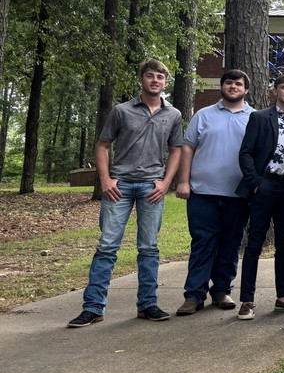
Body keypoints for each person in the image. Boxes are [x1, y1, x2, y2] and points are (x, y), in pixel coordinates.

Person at [67, 59, 183, 328]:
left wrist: (166, 183)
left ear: (165, 83)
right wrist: (106, 179)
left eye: (160, 77)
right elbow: (103, 145)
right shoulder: (121, 111)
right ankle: (93, 307)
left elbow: (176, 149)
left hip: (151, 188)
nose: (155, 80)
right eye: (150, 76)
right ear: (142, 79)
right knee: (107, 246)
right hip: (120, 187)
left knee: (149, 248)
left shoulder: (173, 115)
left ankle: (148, 304)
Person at [174, 69, 253, 315]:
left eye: (238, 84)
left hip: (239, 194)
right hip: (202, 192)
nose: (233, 87)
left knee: (232, 243)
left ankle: (222, 291)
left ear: (246, 90)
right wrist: (183, 181)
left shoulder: (255, 117)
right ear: (221, 87)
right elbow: (188, 149)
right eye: (228, 83)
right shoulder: (203, 115)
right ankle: (194, 295)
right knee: (202, 242)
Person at [235, 74, 284, 320]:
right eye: (283, 87)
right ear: (275, 91)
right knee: (255, 244)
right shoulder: (260, 117)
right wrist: (255, 184)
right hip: (265, 185)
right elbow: (245, 153)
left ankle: (283, 296)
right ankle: (247, 300)